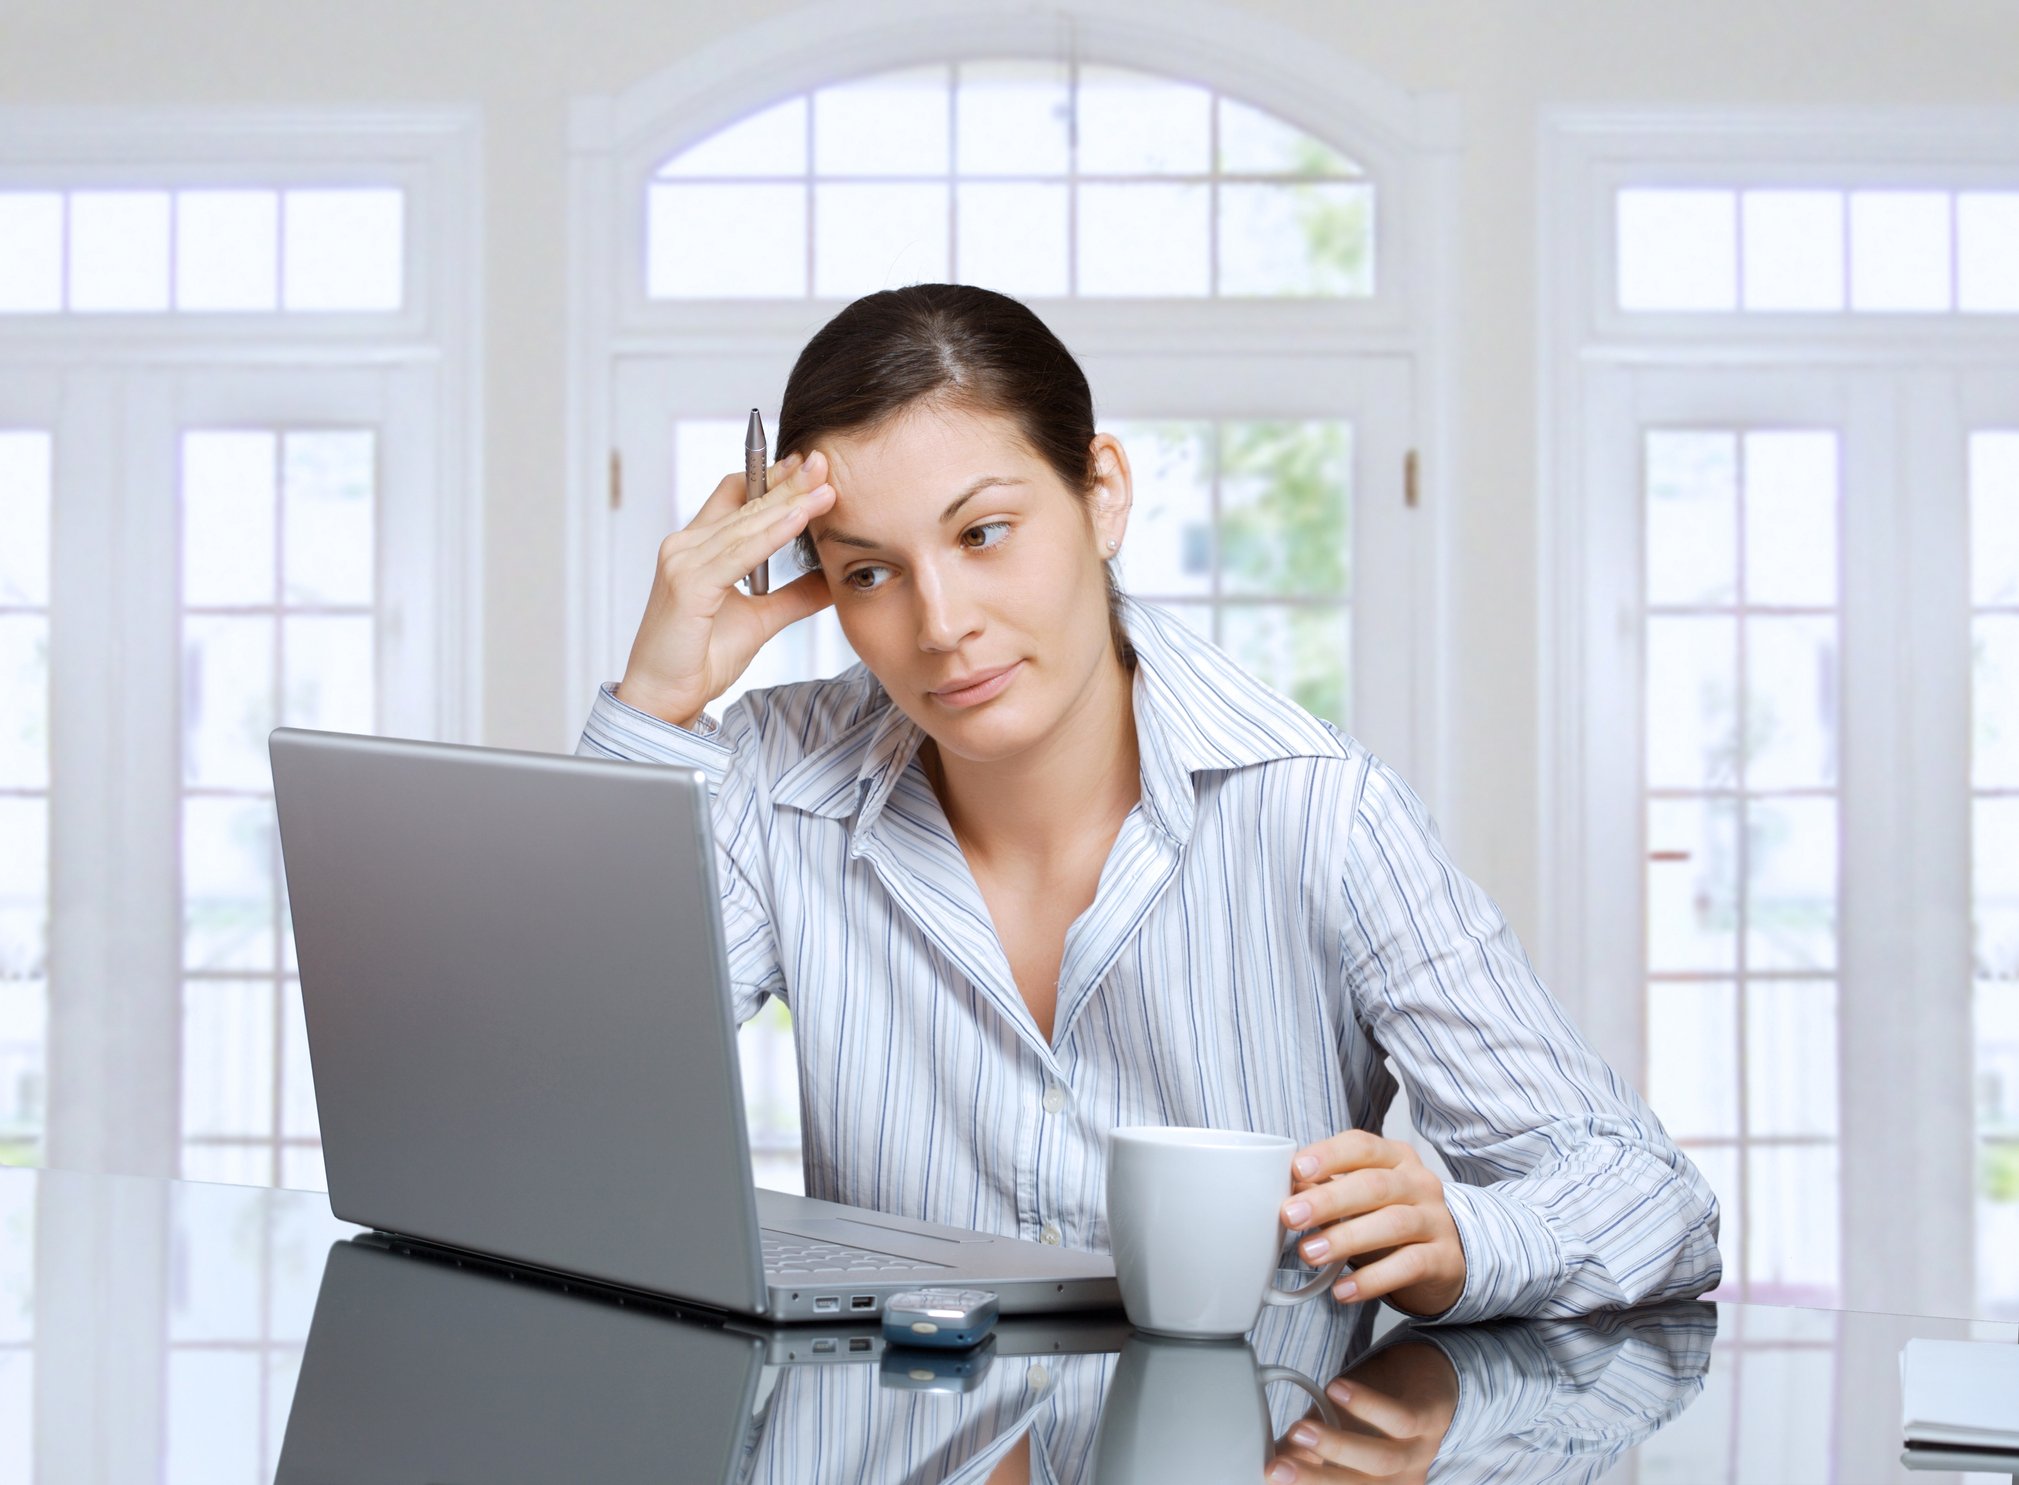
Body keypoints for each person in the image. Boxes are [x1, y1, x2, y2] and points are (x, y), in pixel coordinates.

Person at [576, 282, 1720, 1329]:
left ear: (1102, 493)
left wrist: (1466, 1241)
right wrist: (657, 701)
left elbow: (1645, 1192)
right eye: (868, 571)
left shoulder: (1322, 815)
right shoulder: (779, 783)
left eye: (983, 534)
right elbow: (555, 1103)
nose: (939, 623)